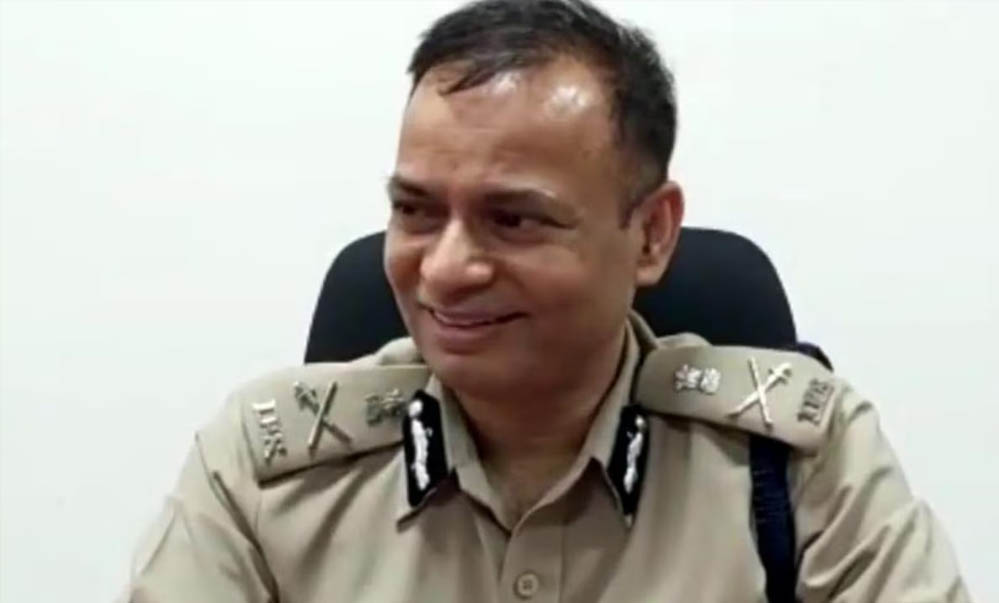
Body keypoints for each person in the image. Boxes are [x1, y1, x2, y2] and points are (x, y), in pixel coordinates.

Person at [121, 1, 971, 601]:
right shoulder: (265, 471)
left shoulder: (793, 463)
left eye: (513, 219)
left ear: (650, 234)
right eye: (415, 211)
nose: (445, 268)